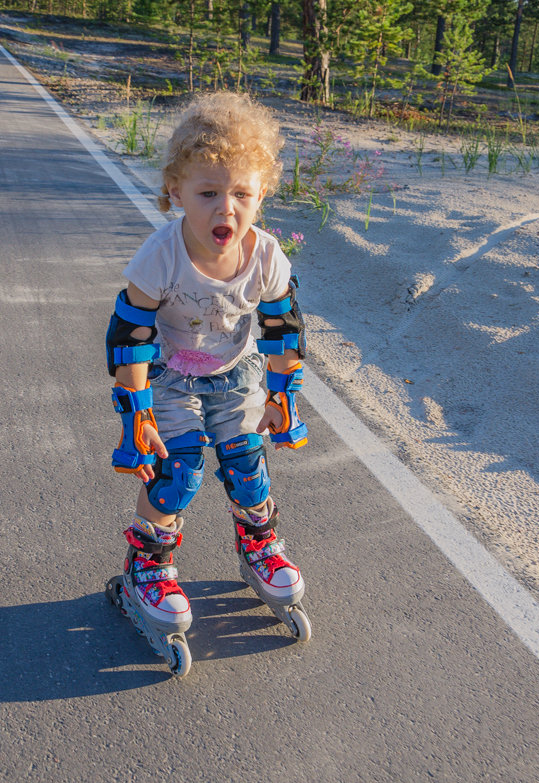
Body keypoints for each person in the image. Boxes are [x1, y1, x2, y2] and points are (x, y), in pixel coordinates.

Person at [105, 92, 309, 668]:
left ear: (262, 193)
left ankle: (261, 545)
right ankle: (148, 566)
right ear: (175, 191)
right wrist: (137, 412)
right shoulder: (159, 255)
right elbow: (130, 334)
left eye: (242, 193)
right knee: (179, 470)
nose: (227, 209)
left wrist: (280, 394)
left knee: (247, 461)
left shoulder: (266, 254)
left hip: (234, 372)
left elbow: (282, 328)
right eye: (208, 193)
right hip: (168, 378)